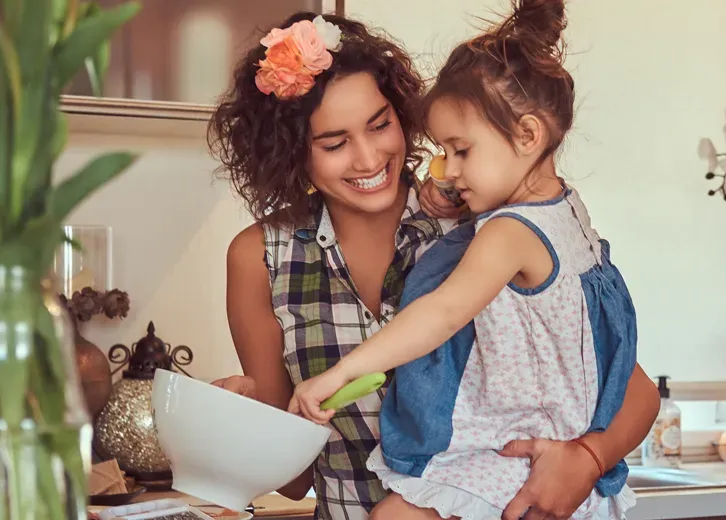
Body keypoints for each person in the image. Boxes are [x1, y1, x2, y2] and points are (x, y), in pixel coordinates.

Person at [208, 8, 660, 520]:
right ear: (294, 154)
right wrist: (239, 421)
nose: (367, 158)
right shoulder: (262, 257)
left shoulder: (479, 221)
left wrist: (587, 459)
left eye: (381, 125)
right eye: (334, 143)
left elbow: (631, 391)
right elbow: (290, 482)